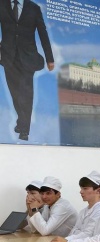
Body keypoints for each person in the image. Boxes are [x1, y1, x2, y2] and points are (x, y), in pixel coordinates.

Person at [0, 0, 54, 141]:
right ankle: (21, 121)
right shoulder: (2, 4)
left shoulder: (34, 8)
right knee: (15, 94)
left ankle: (25, 130)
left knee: (26, 94)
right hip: (8, 57)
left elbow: (43, 33)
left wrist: (49, 58)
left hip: (28, 58)